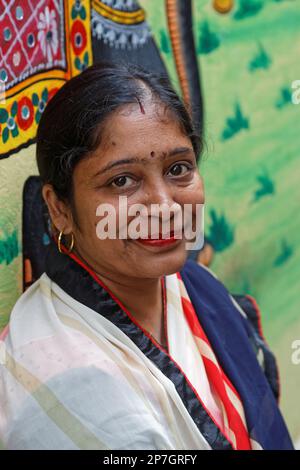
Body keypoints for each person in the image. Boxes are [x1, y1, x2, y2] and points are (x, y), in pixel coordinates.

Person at [0, 62, 294, 450]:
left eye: (178, 169)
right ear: (60, 209)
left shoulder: (194, 286)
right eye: (122, 181)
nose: (165, 206)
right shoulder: (71, 386)